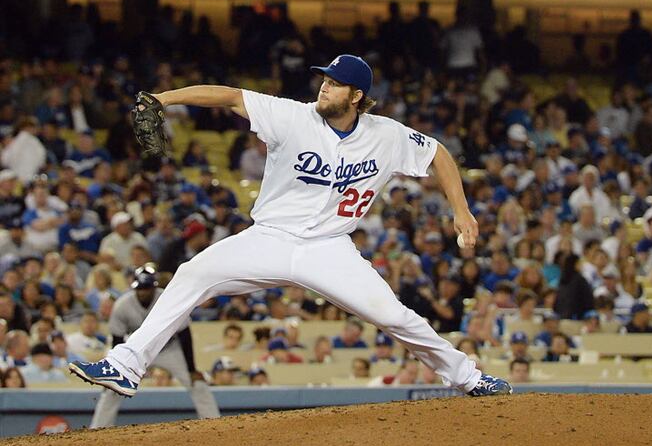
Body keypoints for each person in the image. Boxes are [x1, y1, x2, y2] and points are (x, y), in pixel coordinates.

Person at [70, 55, 511, 397]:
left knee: (395, 315)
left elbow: (438, 154)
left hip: (330, 248)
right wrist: (166, 98)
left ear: (356, 95)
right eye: (324, 78)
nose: (325, 86)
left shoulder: (386, 135)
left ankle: (468, 378)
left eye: (335, 83)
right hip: (269, 238)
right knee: (190, 275)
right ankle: (126, 365)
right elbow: (228, 96)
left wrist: (461, 209)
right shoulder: (291, 115)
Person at [83, 266, 220, 428]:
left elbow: (184, 333)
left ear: (154, 287)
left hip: (169, 348)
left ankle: (214, 425)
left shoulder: (168, 299)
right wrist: (118, 368)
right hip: (137, 351)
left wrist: (191, 369)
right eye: (140, 288)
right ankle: (97, 429)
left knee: (197, 382)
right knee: (112, 386)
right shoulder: (123, 305)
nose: (142, 292)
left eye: (146, 288)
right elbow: (118, 339)